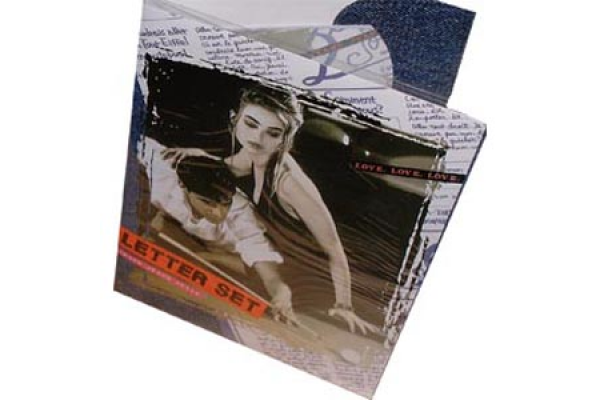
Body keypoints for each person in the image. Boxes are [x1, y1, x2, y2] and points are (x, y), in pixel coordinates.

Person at [164, 85, 378, 335]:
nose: (257, 138)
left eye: (273, 133)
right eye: (251, 124)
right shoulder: (249, 155)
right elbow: (225, 169)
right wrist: (197, 156)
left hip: (305, 283)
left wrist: (344, 306)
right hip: (265, 266)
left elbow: (333, 248)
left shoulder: (289, 183)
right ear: (235, 120)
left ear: (285, 139)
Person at [138, 136, 296, 322]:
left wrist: (281, 294)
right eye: (208, 203)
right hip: (184, 230)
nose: (218, 212)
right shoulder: (162, 172)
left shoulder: (241, 215)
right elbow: (138, 141)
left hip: (235, 257)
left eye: (225, 202)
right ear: (182, 186)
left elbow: (269, 275)